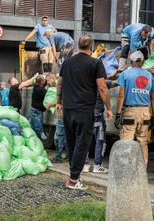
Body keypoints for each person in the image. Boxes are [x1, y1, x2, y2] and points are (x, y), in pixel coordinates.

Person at [57, 35, 112, 190]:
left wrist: (58, 102)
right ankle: (73, 180)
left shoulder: (67, 62)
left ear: (78, 46)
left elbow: (59, 82)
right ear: (91, 47)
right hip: (83, 110)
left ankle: (73, 176)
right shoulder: (96, 63)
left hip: (68, 110)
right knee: (82, 144)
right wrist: (109, 108)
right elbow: (102, 88)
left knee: (72, 144)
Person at [115, 51, 154, 165]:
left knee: (126, 141)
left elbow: (121, 96)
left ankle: (126, 170)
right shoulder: (150, 76)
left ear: (131, 61)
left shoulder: (126, 74)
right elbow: (153, 99)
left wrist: (118, 114)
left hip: (130, 112)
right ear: (142, 63)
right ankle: (142, 171)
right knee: (143, 142)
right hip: (145, 112)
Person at [83, 80, 116, 173]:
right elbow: (116, 83)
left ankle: (85, 165)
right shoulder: (102, 82)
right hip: (97, 114)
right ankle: (97, 166)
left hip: (85, 113)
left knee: (84, 139)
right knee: (100, 140)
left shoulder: (84, 81)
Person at [44, 74, 68, 163]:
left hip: (62, 113)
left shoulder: (61, 85)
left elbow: (61, 100)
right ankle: (68, 155)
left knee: (59, 136)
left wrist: (51, 104)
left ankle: (58, 157)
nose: (47, 82)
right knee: (66, 136)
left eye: (48, 80)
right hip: (69, 113)